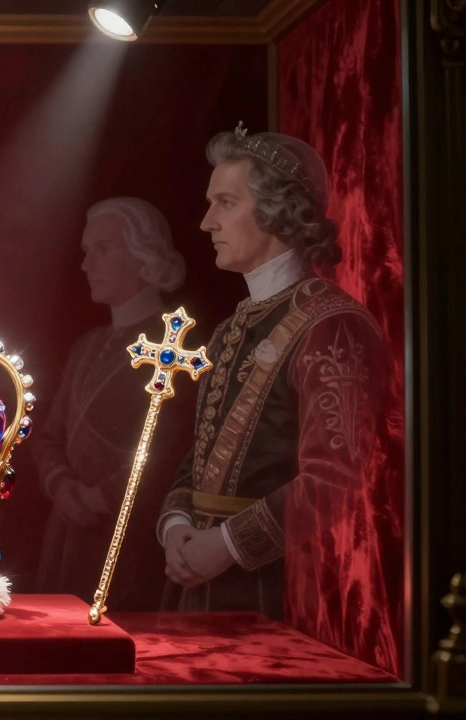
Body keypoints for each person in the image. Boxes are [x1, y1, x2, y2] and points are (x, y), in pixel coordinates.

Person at [158, 124, 389, 620]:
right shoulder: (230, 329)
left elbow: (337, 481)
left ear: (275, 212)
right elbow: (199, 455)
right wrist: (178, 528)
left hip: (280, 591)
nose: (206, 223)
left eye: (225, 202)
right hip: (199, 581)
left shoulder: (333, 326)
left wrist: (224, 545)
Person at [32, 197, 194, 608]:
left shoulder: (176, 344)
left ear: (146, 256)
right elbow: (49, 435)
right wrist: (62, 486)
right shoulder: (86, 347)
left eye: (104, 249)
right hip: (66, 534)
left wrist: (100, 497)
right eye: (87, 252)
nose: (87, 265)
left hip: (131, 532)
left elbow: (172, 446)